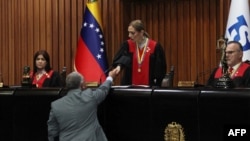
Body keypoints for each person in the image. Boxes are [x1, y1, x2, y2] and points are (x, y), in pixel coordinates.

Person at [47, 70, 117, 141]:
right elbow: (103, 89)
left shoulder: (56, 105)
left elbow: (52, 131)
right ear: (82, 85)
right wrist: (110, 77)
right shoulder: (89, 96)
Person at [112, 19, 166, 86]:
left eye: (132, 33)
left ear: (141, 32)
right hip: (129, 86)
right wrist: (119, 66)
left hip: (149, 87)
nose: (129, 35)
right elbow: (122, 59)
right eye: (129, 32)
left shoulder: (154, 46)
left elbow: (160, 70)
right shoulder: (127, 45)